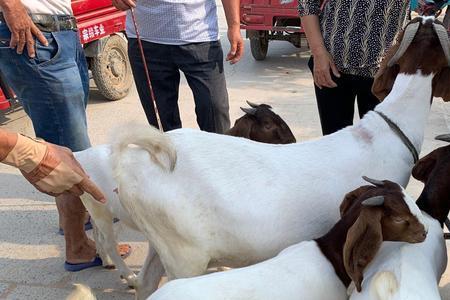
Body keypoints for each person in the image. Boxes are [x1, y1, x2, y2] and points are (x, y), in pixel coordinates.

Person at [0, 0, 129, 271]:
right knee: (71, 151)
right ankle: (78, 247)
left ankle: (75, 224)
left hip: (61, 34)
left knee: (69, 142)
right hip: (35, 34)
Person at [112, 0, 243, 133]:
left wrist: (234, 25)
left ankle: (216, 153)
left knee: (215, 113)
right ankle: (172, 153)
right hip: (145, 40)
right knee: (162, 128)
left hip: (200, 36)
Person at [299, 0, 414, 135]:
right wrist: (318, 52)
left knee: (381, 146)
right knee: (335, 145)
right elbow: (307, 4)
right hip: (332, 67)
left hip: (385, 72)